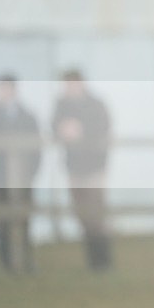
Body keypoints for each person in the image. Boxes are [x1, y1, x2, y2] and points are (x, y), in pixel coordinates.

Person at [52, 70, 112, 270]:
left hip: (94, 168)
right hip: (74, 169)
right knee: (81, 213)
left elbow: (103, 127)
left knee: (96, 213)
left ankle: (103, 259)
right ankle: (92, 260)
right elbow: (54, 127)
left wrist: (81, 130)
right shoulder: (62, 105)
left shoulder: (95, 104)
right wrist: (62, 130)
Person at [0, 75, 42, 272]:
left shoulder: (27, 116)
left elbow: (36, 148)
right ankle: (6, 263)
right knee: (1, 220)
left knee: (23, 219)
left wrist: (30, 173)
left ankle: (25, 261)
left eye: (7, 88)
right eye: (2, 88)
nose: (4, 92)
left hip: (21, 178)